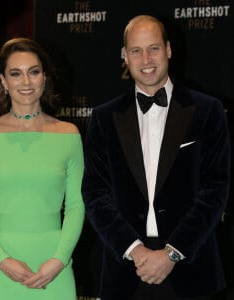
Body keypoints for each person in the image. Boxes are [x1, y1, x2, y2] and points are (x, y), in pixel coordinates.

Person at [81, 15, 231, 300]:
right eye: (136, 51)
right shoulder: (103, 118)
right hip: (126, 272)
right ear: (125, 56)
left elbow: (215, 190)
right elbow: (95, 193)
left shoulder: (208, 111)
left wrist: (172, 253)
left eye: (154, 48)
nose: (146, 59)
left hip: (192, 269)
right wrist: (134, 250)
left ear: (169, 50)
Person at [0, 37, 85, 300]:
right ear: (4, 82)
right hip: (2, 268)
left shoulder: (68, 134)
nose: (26, 82)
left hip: (56, 267)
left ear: (44, 77)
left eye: (33, 72)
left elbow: (77, 205)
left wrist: (59, 260)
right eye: (15, 74)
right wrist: (2, 260)